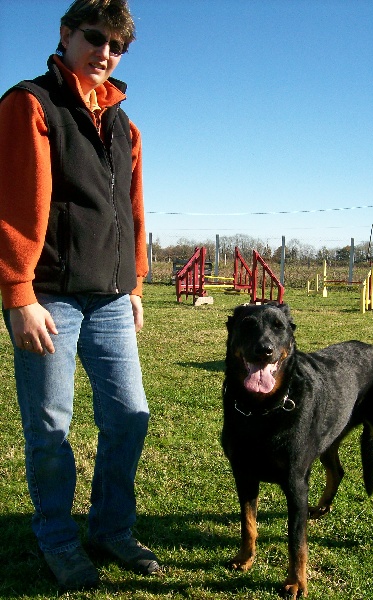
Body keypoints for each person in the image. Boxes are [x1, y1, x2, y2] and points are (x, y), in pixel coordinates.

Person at [0, 0, 160, 590]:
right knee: (51, 429)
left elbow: (132, 210)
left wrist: (136, 281)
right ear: (66, 34)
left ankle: (110, 528)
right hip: (51, 298)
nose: (106, 54)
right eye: (96, 39)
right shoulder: (31, 105)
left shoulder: (126, 124)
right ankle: (58, 539)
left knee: (129, 418)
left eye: (118, 47)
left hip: (114, 298)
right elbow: (18, 203)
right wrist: (18, 293)